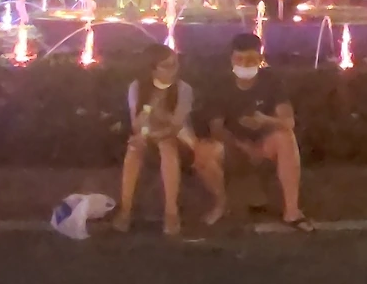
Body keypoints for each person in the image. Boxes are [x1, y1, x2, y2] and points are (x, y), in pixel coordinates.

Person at [193, 32, 312, 230]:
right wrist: (243, 146)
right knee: (204, 153)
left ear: (260, 59)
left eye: (250, 60)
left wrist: (265, 121)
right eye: (239, 59)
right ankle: (222, 203)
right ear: (231, 59)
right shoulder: (220, 85)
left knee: (285, 138)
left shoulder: (271, 81)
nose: (244, 65)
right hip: (232, 145)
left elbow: (287, 121)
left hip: (265, 143)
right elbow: (216, 128)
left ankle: (292, 211)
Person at [116, 46, 198, 236]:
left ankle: (171, 212)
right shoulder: (137, 87)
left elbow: (176, 125)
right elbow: (137, 124)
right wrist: (150, 106)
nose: (173, 70)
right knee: (134, 149)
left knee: (167, 146)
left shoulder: (183, 89)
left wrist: (159, 119)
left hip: (180, 138)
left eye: (175, 64)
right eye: (166, 66)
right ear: (152, 69)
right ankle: (125, 210)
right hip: (150, 134)